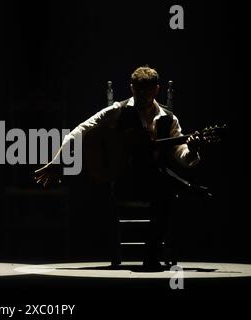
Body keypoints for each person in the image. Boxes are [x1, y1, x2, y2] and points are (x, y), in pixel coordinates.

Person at [35, 66, 201, 268]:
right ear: (131, 87)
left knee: (165, 192)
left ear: (156, 90)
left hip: (155, 183)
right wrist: (59, 159)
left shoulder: (168, 119)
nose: (141, 95)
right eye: (137, 90)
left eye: (146, 90)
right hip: (125, 181)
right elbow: (80, 130)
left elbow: (180, 154)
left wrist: (192, 151)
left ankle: (151, 257)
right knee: (166, 186)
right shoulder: (117, 110)